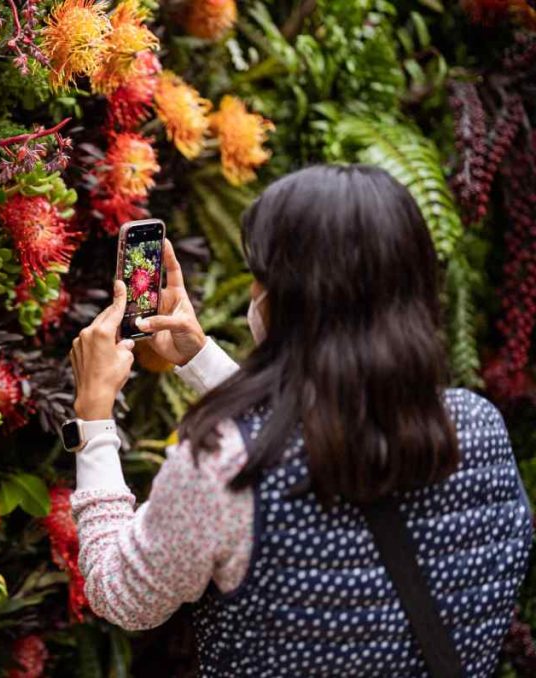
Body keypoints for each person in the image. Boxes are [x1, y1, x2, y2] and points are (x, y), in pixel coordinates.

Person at [65, 165, 532, 676]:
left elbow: (122, 595)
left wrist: (93, 418)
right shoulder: (478, 427)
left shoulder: (222, 468)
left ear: (286, 299)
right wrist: (199, 360)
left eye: (259, 277)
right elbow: (310, 436)